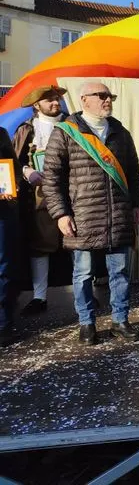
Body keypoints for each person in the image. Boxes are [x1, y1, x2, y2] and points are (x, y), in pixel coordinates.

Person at [42, 80, 139, 345]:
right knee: (83, 274)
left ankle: (120, 321)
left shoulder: (120, 132)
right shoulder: (66, 132)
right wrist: (60, 214)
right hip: (82, 215)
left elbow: (133, 173)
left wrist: (137, 205)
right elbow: (51, 178)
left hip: (119, 215)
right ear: (84, 99)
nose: (107, 100)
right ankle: (86, 324)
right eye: (101, 95)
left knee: (120, 273)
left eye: (109, 96)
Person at [12, 85, 66, 316]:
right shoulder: (27, 129)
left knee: (79, 241)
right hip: (40, 193)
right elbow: (14, 160)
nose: (55, 103)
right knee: (40, 244)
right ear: (37, 105)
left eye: (57, 99)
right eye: (50, 100)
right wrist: (27, 172)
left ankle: (88, 290)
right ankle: (39, 296)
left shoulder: (73, 125)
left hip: (73, 189)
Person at [0, 127, 21, 347]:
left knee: (3, 267)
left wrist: (11, 186)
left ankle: (3, 324)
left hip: (2, 210)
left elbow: (11, 168)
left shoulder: (1, 134)